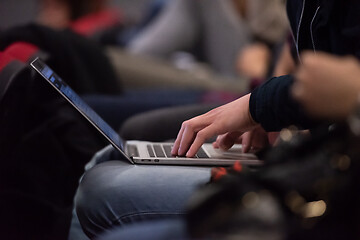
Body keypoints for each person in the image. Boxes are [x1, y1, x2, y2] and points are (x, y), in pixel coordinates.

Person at [75, 0, 360, 238]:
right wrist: (276, 108)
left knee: (103, 185)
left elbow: (329, 83)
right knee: (106, 163)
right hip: (299, 137)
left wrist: (263, 103)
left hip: (326, 177)